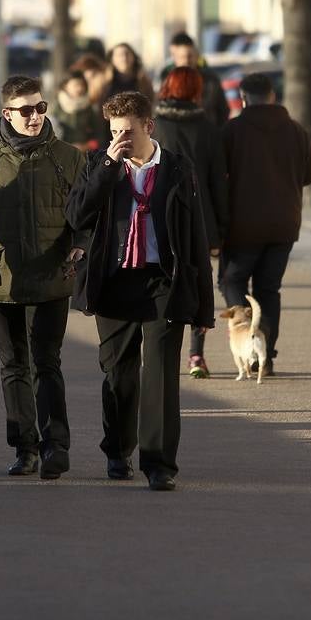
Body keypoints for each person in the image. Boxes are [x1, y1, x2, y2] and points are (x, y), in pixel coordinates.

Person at [66, 91, 215, 491]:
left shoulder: (179, 168)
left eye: (127, 131)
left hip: (162, 280)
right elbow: (77, 213)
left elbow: (195, 236)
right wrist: (108, 166)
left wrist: (202, 301)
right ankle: (117, 451)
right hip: (114, 280)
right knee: (119, 371)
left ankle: (160, 463)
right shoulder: (100, 164)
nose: (120, 139)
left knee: (162, 373)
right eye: (114, 131)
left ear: (148, 126)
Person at [0, 75, 87, 480]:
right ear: (6, 113)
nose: (35, 117)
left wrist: (81, 241)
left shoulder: (68, 156)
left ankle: (56, 446)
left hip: (52, 276)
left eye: (40, 107)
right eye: (26, 110)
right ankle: (24, 448)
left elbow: (87, 212)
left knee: (48, 362)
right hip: (0, 279)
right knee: (13, 365)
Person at [219, 72, 311, 376]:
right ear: (273, 96)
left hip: (242, 225)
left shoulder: (232, 131)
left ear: (244, 98)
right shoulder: (296, 131)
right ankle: (265, 353)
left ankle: (245, 336)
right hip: (284, 224)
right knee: (269, 289)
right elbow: (310, 174)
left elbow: (219, 176)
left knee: (231, 281)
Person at [152, 66, 228, 378]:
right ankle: (196, 354)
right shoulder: (207, 128)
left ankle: (157, 345)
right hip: (200, 215)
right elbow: (218, 182)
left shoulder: (154, 126)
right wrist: (219, 230)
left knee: (158, 278)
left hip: (159, 213)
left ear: (166, 88)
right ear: (197, 91)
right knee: (198, 282)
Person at [160, 32, 230, 126]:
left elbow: (223, 110)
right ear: (175, 58)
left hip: (206, 133)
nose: (187, 61)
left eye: (190, 56)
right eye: (183, 57)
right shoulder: (168, 80)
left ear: (196, 56)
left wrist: (217, 134)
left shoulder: (211, 80)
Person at [53, 70, 107, 151]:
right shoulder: (57, 107)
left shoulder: (88, 107)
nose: (80, 88)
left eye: (82, 85)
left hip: (83, 154)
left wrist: (87, 146)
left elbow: (99, 135)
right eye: (76, 85)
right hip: (61, 153)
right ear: (65, 86)